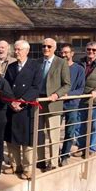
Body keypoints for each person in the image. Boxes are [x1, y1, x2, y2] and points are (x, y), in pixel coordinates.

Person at [4, 40, 42, 180]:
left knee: (26, 141)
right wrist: (11, 101)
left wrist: (21, 101)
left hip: (26, 108)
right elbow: (6, 86)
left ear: (27, 51)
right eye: (15, 49)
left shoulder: (35, 66)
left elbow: (36, 87)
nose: (16, 52)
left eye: (19, 49)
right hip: (11, 106)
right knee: (11, 139)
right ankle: (15, 165)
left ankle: (27, 169)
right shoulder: (11, 66)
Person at [37, 38, 71, 172]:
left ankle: (53, 162)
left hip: (53, 102)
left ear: (54, 48)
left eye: (49, 46)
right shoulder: (38, 62)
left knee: (53, 134)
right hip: (38, 103)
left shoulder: (61, 62)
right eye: (44, 46)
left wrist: (56, 95)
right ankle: (40, 161)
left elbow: (67, 84)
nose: (46, 48)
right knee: (39, 134)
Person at [59, 44, 85, 166]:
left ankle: (65, 155)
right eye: (62, 53)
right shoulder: (57, 67)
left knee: (70, 131)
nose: (64, 55)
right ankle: (54, 156)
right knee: (53, 131)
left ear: (72, 53)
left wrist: (68, 94)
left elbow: (81, 89)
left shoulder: (79, 69)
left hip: (72, 104)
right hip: (57, 104)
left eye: (66, 52)